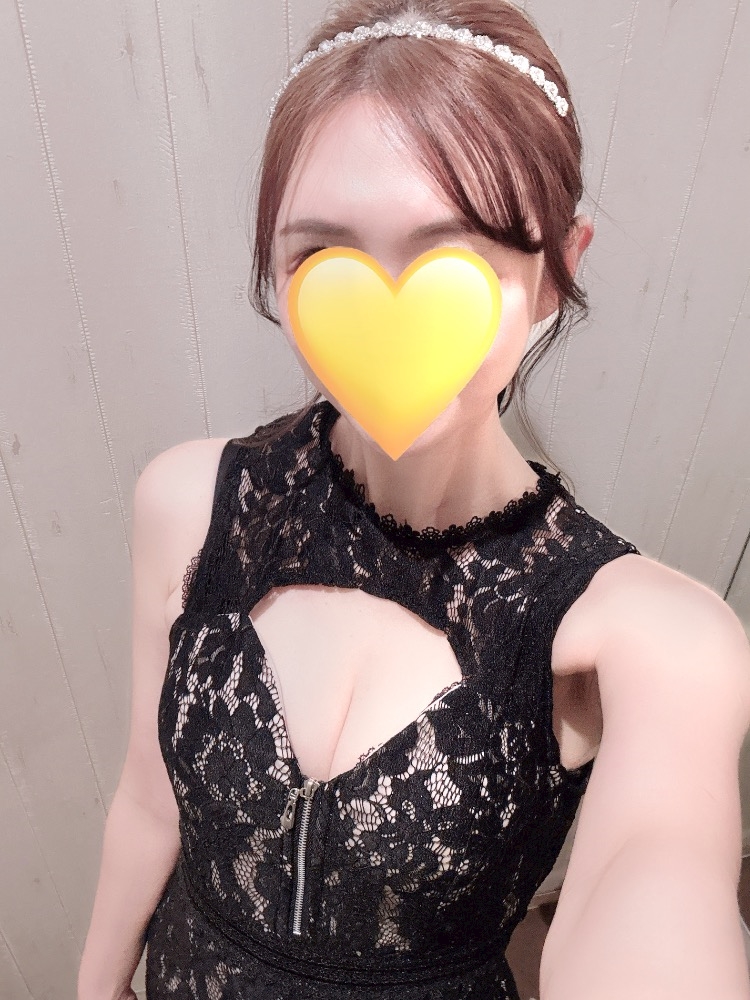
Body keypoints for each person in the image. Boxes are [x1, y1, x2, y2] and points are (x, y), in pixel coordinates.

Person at [78, 3, 750, 999]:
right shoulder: (190, 504)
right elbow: (148, 800)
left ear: (558, 271)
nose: (390, 318)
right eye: (322, 258)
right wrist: (94, 985)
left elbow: (660, 905)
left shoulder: (646, 641)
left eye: (459, 259)